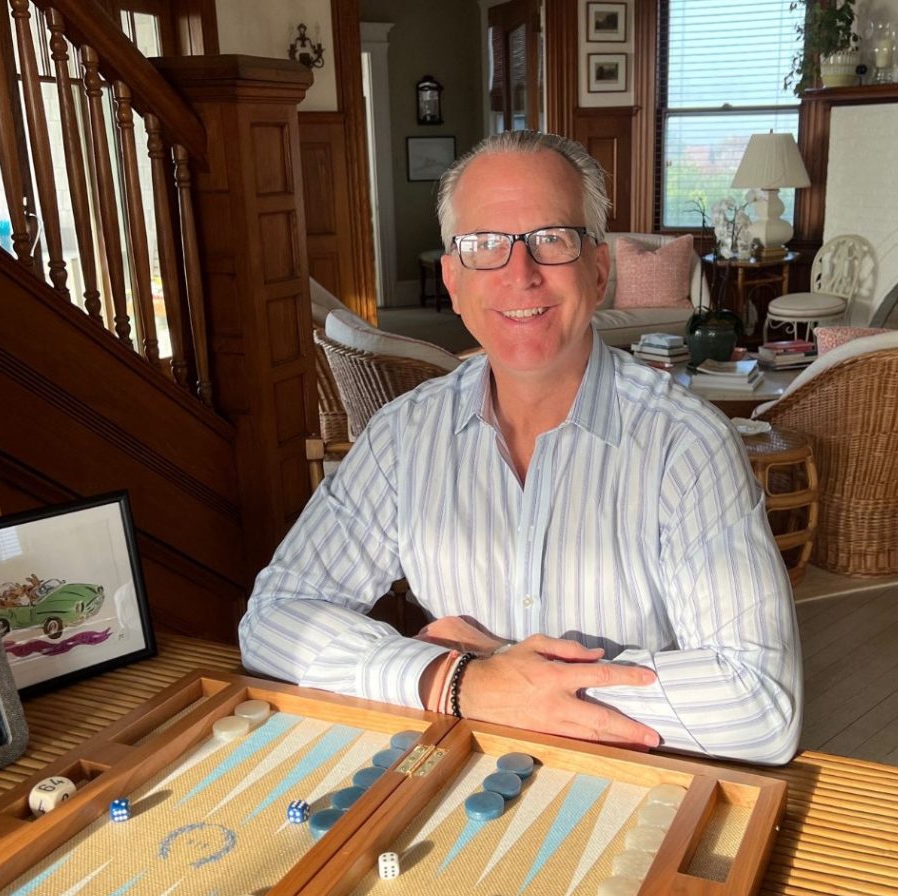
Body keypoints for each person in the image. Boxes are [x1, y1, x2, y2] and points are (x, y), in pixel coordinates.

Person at [240, 131, 801, 764]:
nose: (520, 274)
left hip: (630, 783)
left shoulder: (687, 445)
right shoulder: (403, 436)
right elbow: (275, 620)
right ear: (453, 280)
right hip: (454, 772)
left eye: (551, 240)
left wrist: (495, 672)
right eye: (485, 246)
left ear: (598, 268)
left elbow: (761, 705)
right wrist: (454, 681)